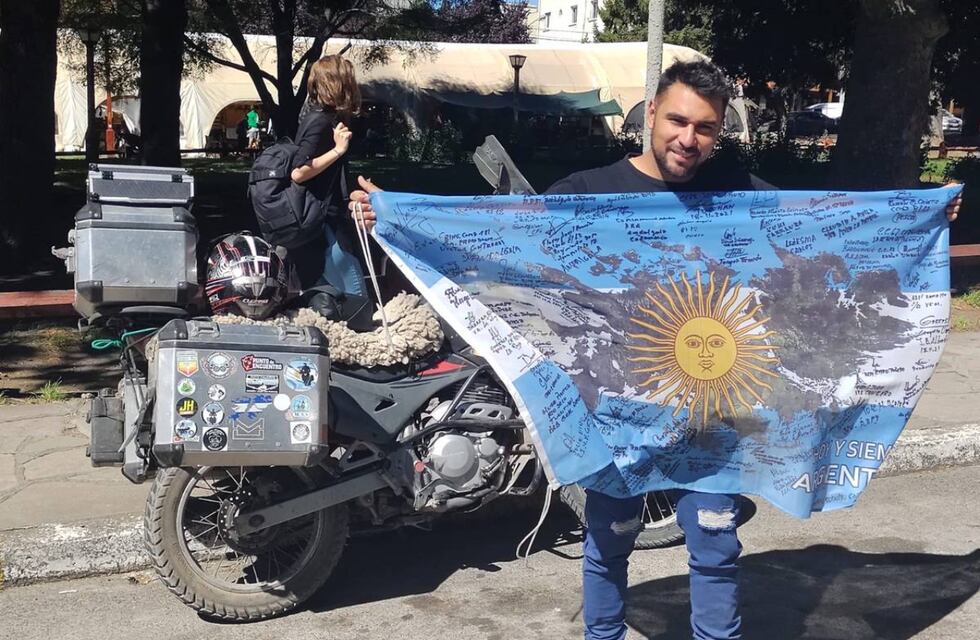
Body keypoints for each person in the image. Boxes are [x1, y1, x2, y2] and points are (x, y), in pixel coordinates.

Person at [346, 59, 963, 640]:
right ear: (650, 114)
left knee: (715, 545)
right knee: (609, 539)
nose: (688, 139)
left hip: (716, 410)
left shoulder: (738, 195)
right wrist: (394, 215)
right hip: (617, 414)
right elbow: (501, 240)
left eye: (706, 128)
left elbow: (823, 230)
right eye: (678, 120)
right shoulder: (588, 193)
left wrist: (924, 214)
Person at [289, 55, 370, 323]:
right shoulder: (319, 121)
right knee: (355, 299)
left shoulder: (328, 118)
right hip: (322, 220)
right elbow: (298, 172)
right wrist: (338, 150)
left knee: (338, 293)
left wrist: (349, 193)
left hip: (329, 215)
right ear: (339, 82)